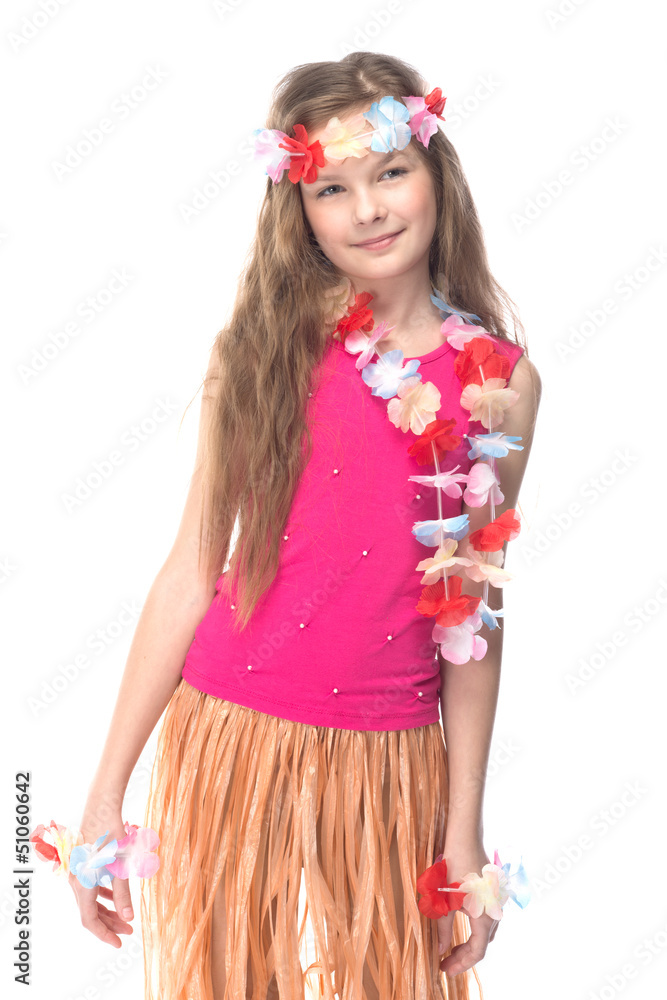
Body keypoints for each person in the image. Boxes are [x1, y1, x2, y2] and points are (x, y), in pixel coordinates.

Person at [69, 51, 541, 1000]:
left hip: (389, 757)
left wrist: (460, 836)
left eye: (390, 172)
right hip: (231, 730)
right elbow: (191, 568)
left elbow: (472, 617)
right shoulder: (261, 351)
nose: (367, 208)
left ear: (435, 172)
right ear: (301, 207)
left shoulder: (497, 384)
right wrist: (103, 796)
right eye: (333, 188)